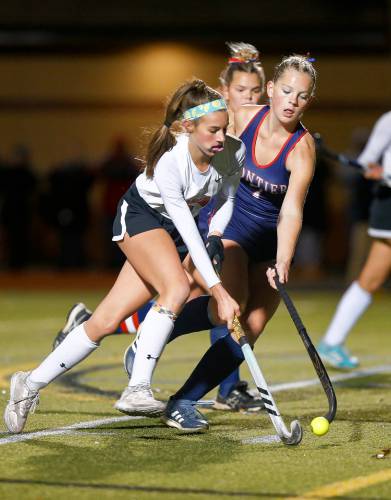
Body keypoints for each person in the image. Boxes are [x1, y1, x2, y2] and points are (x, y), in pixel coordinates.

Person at [4, 79, 244, 434]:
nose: (221, 138)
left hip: (175, 230)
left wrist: (216, 235)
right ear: (187, 126)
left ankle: (30, 383)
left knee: (103, 322)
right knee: (176, 288)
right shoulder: (170, 163)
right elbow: (184, 230)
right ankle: (138, 388)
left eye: (224, 128)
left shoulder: (232, 152)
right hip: (141, 217)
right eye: (212, 130)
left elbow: (227, 201)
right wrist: (219, 290)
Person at [52, 42, 268, 412]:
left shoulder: (253, 130)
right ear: (224, 90)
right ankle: (128, 352)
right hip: (180, 218)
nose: (248, 97)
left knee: (209, 298)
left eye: (255, 91)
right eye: (241, 90)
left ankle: (223, 384)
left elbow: (234, 188)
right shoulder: (207, 126)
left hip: (215, 221)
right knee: (190, 293)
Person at [122, 53, 316, 432]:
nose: (293, 101)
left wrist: (284, 260)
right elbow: (199, 134)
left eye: (303, 96)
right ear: (272, 90)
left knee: (252, 327)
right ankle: (149, 337)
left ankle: (183, 400)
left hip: (269, 240)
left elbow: (291, 210)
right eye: (287, 91)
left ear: (309, 101)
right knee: (232, 305)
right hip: (230, 227)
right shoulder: (243, 117)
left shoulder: (303, 149)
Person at [317, 111, 391, 369]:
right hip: (388, 201)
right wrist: (375, 169)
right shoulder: (388, 121)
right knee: (371, 277)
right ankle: (331, 342)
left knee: (372, 278)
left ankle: (332, 341)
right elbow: (366, 161)